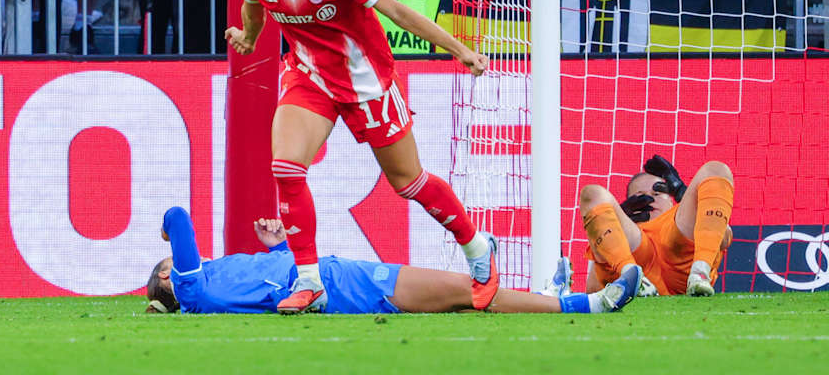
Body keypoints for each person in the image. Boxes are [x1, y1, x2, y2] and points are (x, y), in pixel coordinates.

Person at [226, 0, 494, 314]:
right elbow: (254, 7)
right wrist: (248, 37)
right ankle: (309, 282)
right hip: (309, 76)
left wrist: (459, 50)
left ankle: (477, 248)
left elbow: (398, 12)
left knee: (408, 182)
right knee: (286, 167)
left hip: (366, 81)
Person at [146, 206, 642, 315]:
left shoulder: (212, 288)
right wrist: (168, 232)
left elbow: (270, 283)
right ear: (169, 274)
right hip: (347, 287)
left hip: (338, 281)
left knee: (467, 293)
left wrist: (278, 247)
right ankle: (588, 304)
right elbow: (178, 218)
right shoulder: (193, 287)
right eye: (172, 260)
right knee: (469, 291)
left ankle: (549, 299)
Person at [580, 156, 735, 296]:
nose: (651, 199)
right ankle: (633, 278)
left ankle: (700, 274)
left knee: (716, 169)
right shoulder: (615, 237)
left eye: (657, 193)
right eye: (641, 196)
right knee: (592, 193)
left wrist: (683, 194)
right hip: (635, 255)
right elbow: (593, 290)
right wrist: (614, 218)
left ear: (671, 199)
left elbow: (723, 238)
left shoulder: (680, 216)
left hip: (679, 253)